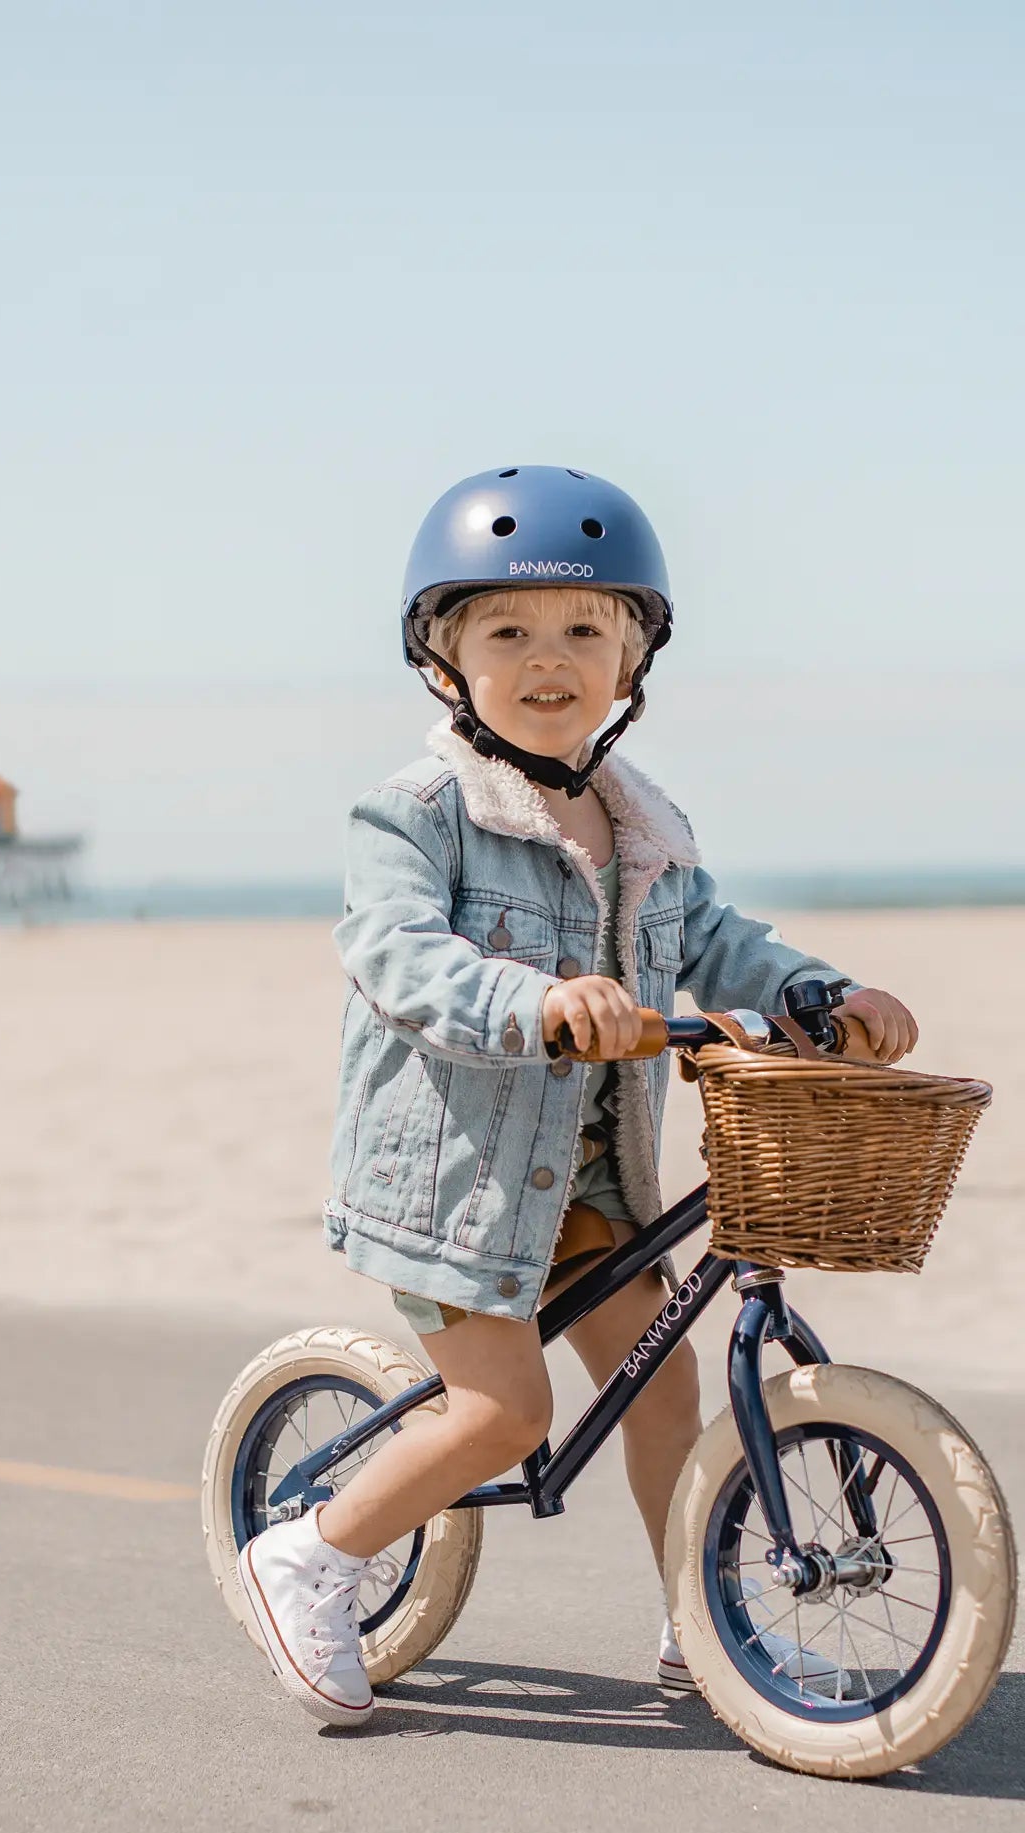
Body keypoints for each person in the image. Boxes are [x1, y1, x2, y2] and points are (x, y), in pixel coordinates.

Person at [237, 466, 919, 1727]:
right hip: (457, 1183)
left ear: (631, 660)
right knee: (506, 1411)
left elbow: (723, 945)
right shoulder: (416, 813)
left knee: (666, 1391)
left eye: (585, 632)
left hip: (600, 1181)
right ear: (446, 661)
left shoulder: (644, 829)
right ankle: (310, 1556)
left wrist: (827, 991)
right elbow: (396, 954)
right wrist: (532, 1000)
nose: (549, 661)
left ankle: (699, 1619)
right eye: (508, 632)